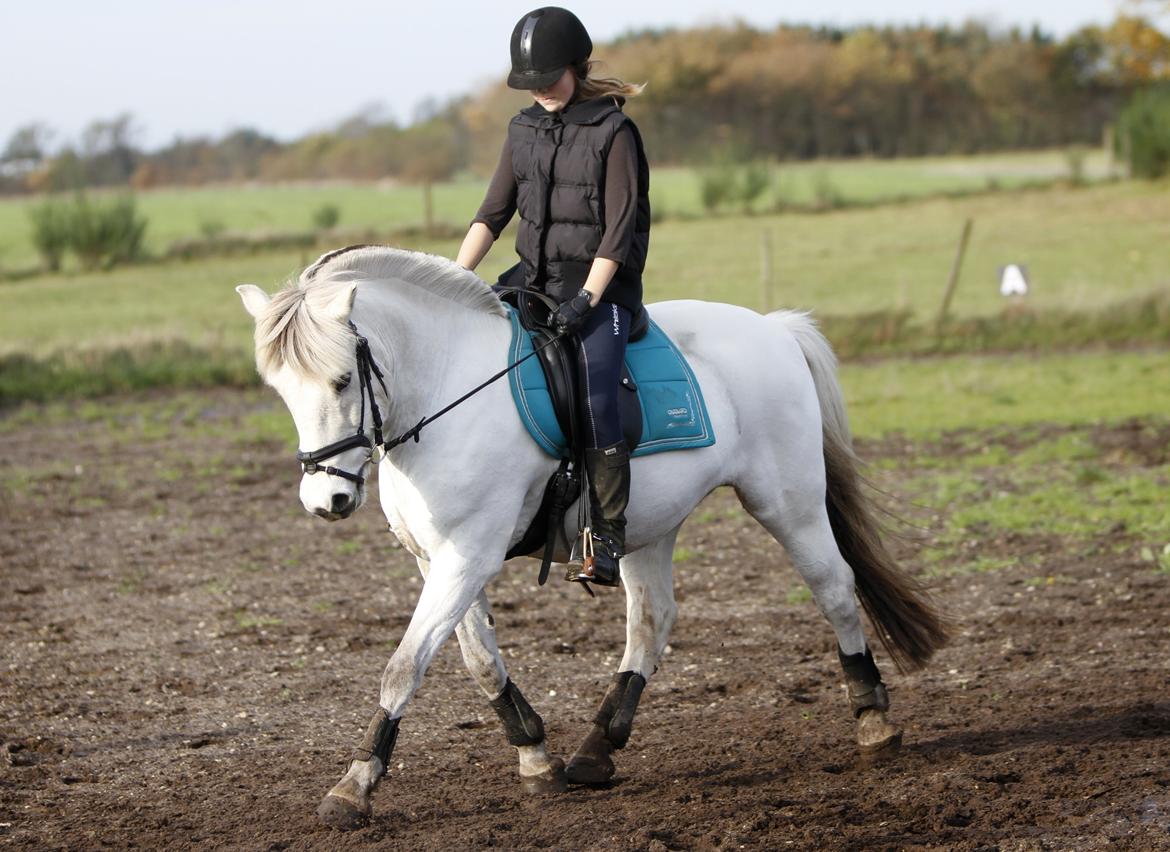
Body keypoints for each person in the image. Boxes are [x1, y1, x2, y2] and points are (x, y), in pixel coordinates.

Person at [456, 6, 651, 588]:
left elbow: (619, 231)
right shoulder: (522, 130)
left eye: (549, 78)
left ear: (576, 66)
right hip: (531, 280)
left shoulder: (615, 132)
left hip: (601, 286)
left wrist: (589, 299)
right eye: (530, 83)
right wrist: (453, 282)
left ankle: (606, 535)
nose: (540, 91)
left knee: (595, 392)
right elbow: (492, 214)